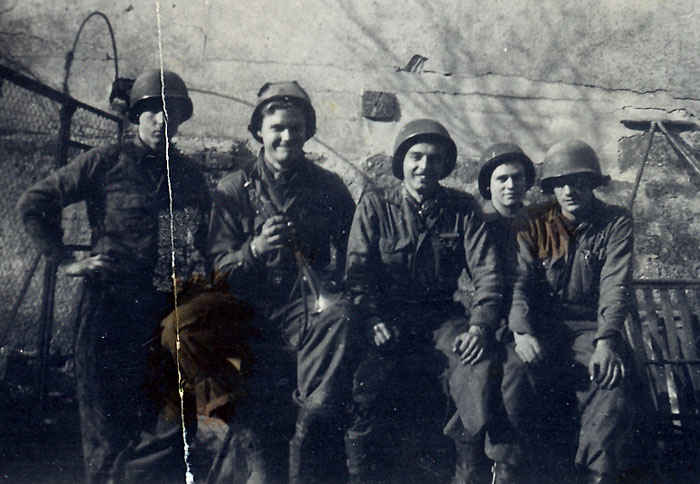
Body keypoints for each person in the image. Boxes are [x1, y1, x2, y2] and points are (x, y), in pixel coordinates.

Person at [16, 69, 209, 484]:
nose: (161, 120)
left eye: (170, 112)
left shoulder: (190, 177)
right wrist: (68, 261)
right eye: (151, 110)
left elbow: (203, 242)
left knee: (163, 427)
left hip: (163, 316)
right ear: (137, 116)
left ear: (180, 119)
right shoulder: (106, 162)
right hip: (108, 314)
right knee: (105, 435)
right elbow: (35, 203)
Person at [205, 80, 357, 483]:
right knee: (256, 437)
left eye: (296, 127)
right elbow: (219, 270)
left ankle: (312, 426)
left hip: (306, 308)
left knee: (339, 322)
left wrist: (336, 289)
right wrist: (253, 248)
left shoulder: (329, 188)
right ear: (259, 132)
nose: (287, 136)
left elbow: (354, 256)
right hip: (249, 311)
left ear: (308, 131)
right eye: (277, 128)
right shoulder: (234, 189)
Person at [343, 119, 504, 484]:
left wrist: (479, 326)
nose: (424, 167)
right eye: (416, 157)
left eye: (435, 159)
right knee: (365, 380)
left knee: (474, 366)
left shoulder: (462, 209)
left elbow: (487, 274)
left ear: (445, 165)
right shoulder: (375, 205)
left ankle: (466, 471)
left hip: (441, 319)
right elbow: (357, 272)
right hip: (386, 318)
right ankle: (359, 474)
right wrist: (370, 318)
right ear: (401, 162)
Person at [509, 139, 635, 484]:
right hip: (542, 326)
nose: (569, 190)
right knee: (513, 374)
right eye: (560, 183)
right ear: (551, 188)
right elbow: (519, 282)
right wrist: (520, 331)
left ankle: (598, 473)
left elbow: (615, 284)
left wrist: (606, 341)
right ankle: (510, 468)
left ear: (592, 183)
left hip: (590, 327)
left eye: (578, 181)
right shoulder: (535, 222)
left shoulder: (615, 223)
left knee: (609, 383)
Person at [444, 143, 539, 484]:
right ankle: (469, 462)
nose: (510, 185)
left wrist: (522, 326)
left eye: (517, 178)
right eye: (501, 179)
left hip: (528, 318)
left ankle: (504, 467)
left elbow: (532, 279)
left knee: (515, 371)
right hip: (488, 317)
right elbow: (482, 278)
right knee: (477, 369)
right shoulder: (478, 222)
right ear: (488, 185)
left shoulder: (540, 222)